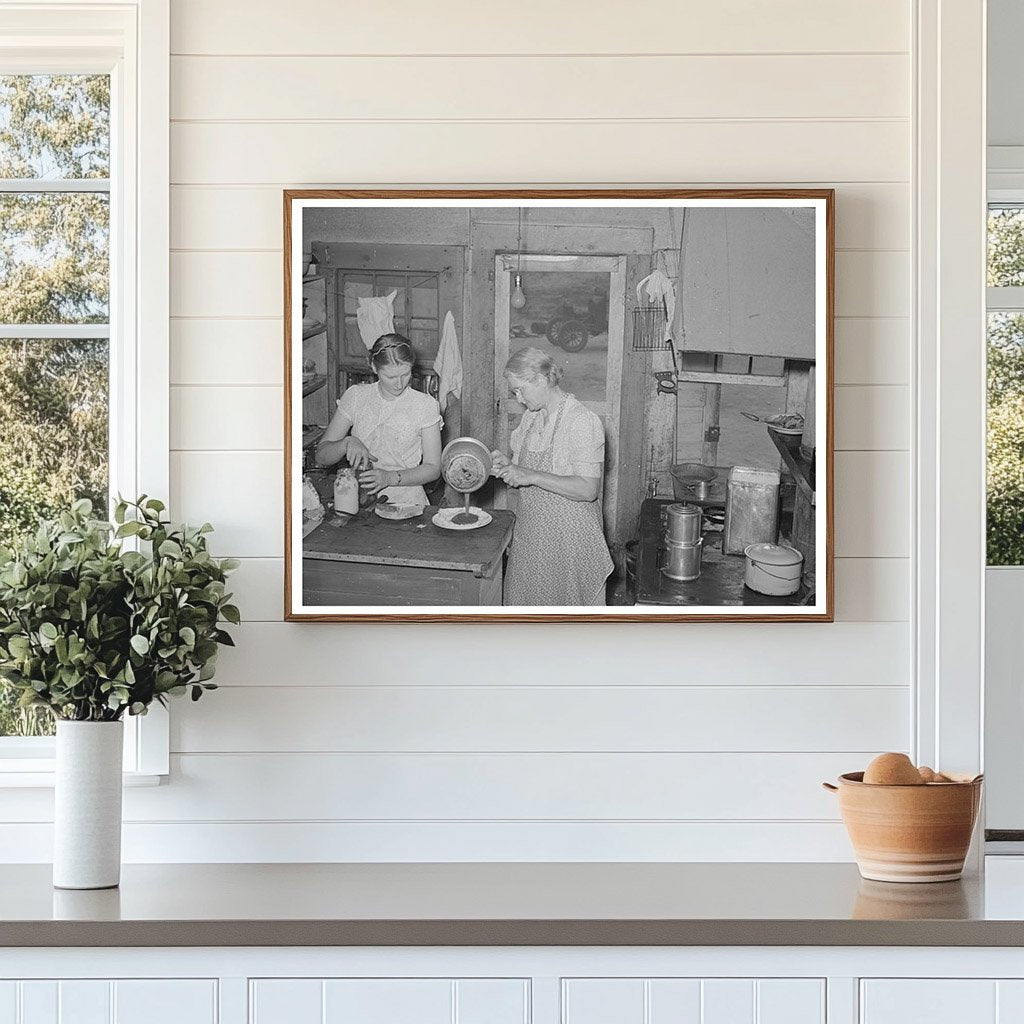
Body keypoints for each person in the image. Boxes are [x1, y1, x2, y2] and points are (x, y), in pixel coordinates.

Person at [492, 347, 613, 606]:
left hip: (569, 543)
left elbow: (587, 489)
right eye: (514, 391)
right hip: (533, 537)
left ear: (543, 379)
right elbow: (524, 470)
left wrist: (530, 475)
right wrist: (508, 466)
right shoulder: (530, 418)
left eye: (520, 389)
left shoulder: (581, 421)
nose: (519, 398)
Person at [315, 333, 441, 505]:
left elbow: (433, 468)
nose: (399, 384)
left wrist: (389, 477)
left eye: (405, 374)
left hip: (407, 504)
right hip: (357, 500)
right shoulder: (356, 396)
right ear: (374, 367)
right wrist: (346, 443)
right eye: (390, 377)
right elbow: (321, 456)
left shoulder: (425, 405)